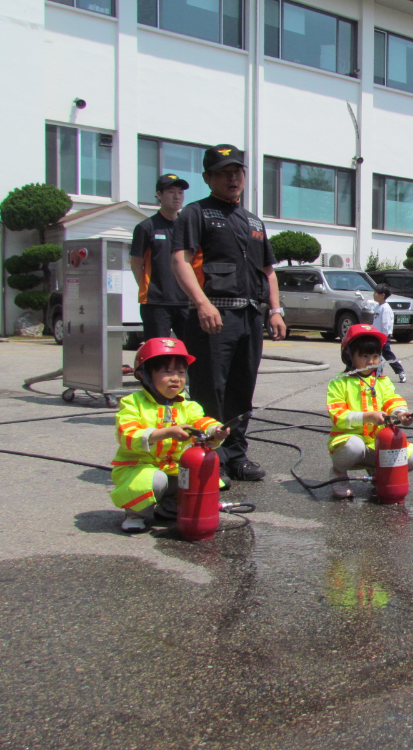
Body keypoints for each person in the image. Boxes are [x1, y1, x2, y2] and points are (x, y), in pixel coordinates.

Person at [171, 144, 286, 482]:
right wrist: (202, 303)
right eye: (223, 172)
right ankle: (208, 458)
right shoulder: (195, 214)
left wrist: (275, 310)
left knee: (241, 388)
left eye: (237, 171)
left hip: (250, 316)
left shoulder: (253, 220)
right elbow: (180, 260)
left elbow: (268, 271)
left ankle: (236, 455)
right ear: (208, 178)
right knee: (210, 389)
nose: (232, 177)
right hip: (213, 317)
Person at [111, 338, 228, 533]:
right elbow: (127, 435)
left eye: (181, 372)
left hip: (173, 468)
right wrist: (166, 433)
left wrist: (215, 431)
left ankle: (167, 509)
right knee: (154, 480)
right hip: (138, 468)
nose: (176, 378)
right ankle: (136, 514)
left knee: (199, 478)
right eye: (167, 372)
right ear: (145, 375)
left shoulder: (188, 405)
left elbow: (200, 421)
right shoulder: (132, 403)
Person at [326, 324, 413, 499]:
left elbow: (391, 399)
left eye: (375, 356)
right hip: (350, 443)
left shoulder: (382, 381)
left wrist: (401, 413)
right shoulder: (339, 383)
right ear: (349, 355)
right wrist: (367, 417)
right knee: (354, 446)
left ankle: (380, 473)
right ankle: (338, 473)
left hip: (378, 444)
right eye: (364, 356)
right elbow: (338, 415)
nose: (371, 361)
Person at [130, 174, 191, 340]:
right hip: (156, 304)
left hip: (186, 302)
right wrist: (150, 289)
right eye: (171, 191)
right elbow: (136, 264)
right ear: (159, 195)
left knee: (194, 352)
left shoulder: (188, 228)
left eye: (180, 192)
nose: (177, 196)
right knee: (158, 354)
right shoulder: (146, 227)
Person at [372, 283, 406, 383]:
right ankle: (377, 375)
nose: (373, 294)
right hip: (376, 337)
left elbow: (386, 325)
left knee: (388, 356)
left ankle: (400, 371)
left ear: (382, 295)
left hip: (383, 337)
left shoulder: (385, 308)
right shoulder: (378, 307)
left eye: (376, 293)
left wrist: (384, 338)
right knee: (376, 357)